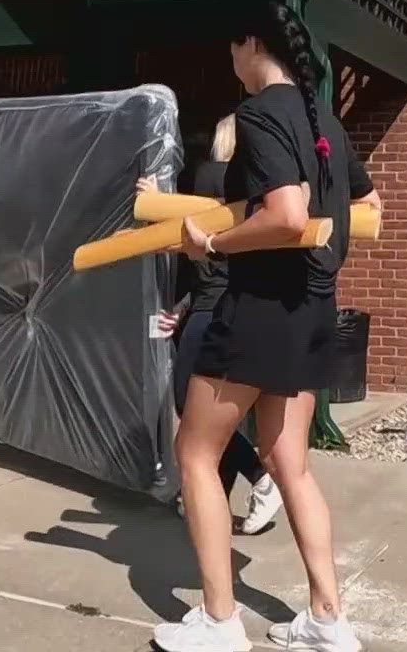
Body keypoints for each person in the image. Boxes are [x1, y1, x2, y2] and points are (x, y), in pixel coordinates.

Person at [151, 1, 379, 652]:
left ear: (251, 43)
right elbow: (369, 206)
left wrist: (214, 246)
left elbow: (286, 214)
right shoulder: (322, 120)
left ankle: (220, 624)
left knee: (195, 452)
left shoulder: (259, 114)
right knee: (289, 464)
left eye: (231, 50)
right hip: (313, 310)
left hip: (258, 312)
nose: (230, 63)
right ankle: (328, 621)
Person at [141, 114, 284, 536]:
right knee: (216, 417)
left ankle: (259, 479)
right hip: (232, 306)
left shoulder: (212, 174)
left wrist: (153, 203)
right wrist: (183, 306)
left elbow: (188, 232)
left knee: (190, 406)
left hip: (214, 311)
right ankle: (209, 500)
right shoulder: (260, 192)